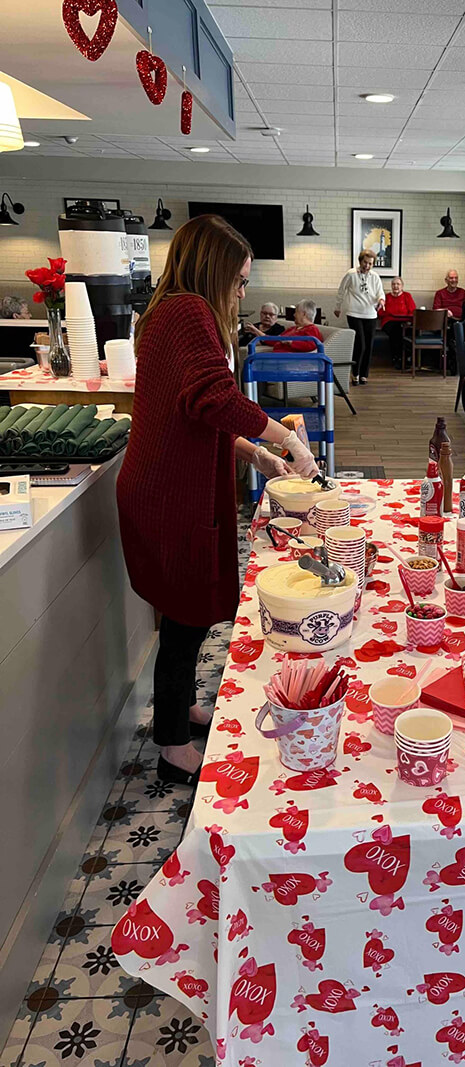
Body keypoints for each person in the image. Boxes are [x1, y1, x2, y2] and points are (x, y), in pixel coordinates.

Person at [116, 215, 318, 786]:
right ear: (216, 271)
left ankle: (178, 712)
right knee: (185, 619)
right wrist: (285, 439)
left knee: (188, 619)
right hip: (167, 497)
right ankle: (173, 746)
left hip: (164, 488)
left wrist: (255, 456)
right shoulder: (188, 312)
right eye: (241, 280)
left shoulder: (169, 313)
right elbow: (214, 396)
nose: (244, 292)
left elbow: (194, 412)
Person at [334, 250, 385, 385]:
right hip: (354, 313)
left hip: (370, 314)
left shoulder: (375, 277)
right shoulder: (351, 274)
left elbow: (380, 292)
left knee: (369, 346)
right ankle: (355, 373)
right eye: (365, 262)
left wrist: (381, 301)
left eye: (370, 264)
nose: (367, 266)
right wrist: (337, 307)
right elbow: (341, 290)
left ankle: (364, 375)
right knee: (360, 344)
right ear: (360, 261)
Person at [379, 277, 416, 368]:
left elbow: (413, 311)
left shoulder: (407, 296)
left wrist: (408, 321)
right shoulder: (386, 297)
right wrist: (390, 313)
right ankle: (402, 358)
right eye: (393, 284)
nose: (395, 286)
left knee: (402, 331)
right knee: (396, 330)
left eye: (398, 284)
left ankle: (398, 358)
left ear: (402, 286)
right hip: (389, 322)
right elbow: (380, 313)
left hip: (404, 322)